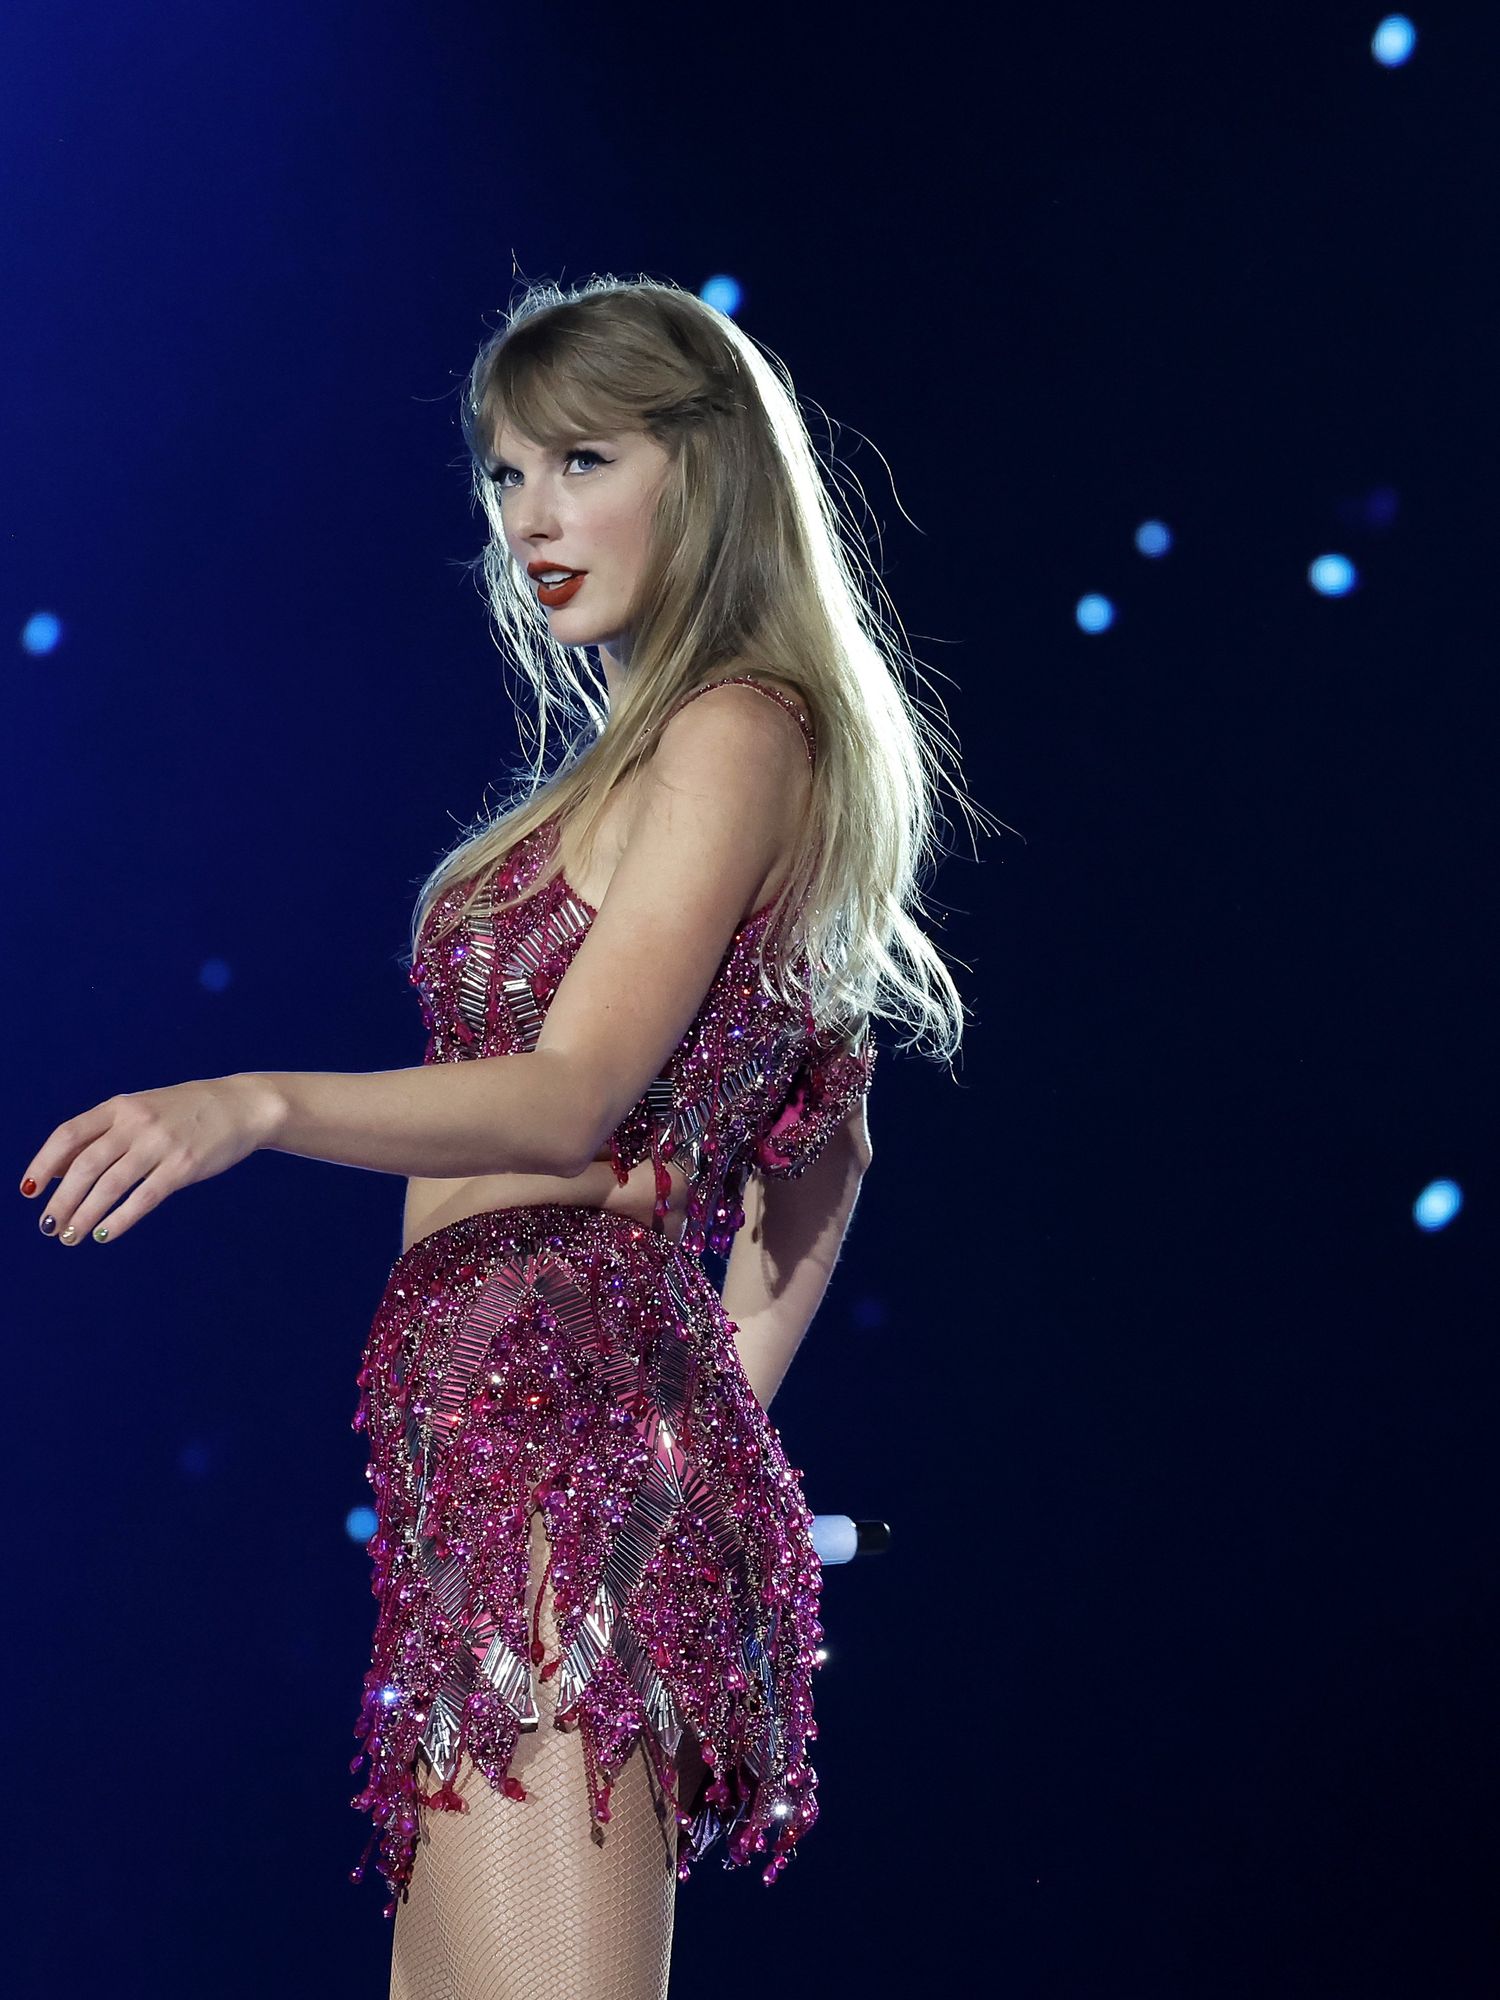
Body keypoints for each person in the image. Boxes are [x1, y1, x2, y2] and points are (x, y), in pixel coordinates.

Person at [20, 275, 987, 1999]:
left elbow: (576, 1100)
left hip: (563, 1462)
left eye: (581, 459)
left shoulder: (736, 731)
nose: (531, 518)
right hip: (490, 1473)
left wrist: (257, 1102)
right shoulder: (641, 754)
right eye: (502, 474)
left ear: (701, 472)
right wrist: (707, 1433)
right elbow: (826, 1130)